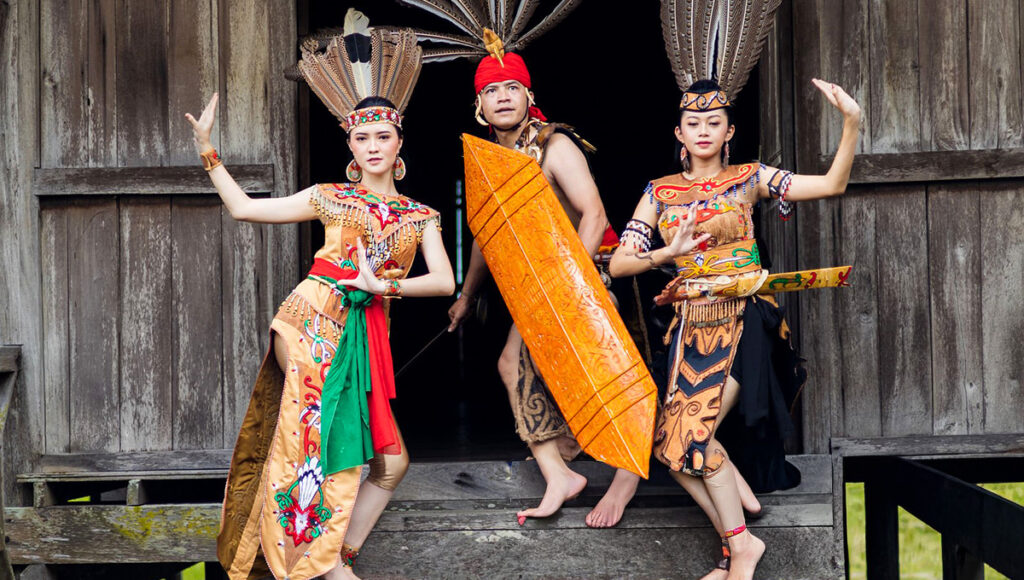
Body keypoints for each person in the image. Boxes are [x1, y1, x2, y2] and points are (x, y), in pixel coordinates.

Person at [192, 14, 455, 580]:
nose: (372, 146)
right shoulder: (331, 197)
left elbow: (444, 282)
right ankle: (321, 568)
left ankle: (334, 557)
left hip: (362, 333)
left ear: (400, 140)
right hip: (310, 321)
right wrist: (209, 152)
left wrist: (380, 285)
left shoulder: (421, 215)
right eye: (362, 137)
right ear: (350, 145)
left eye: (382, 136)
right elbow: (245, 210)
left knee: (392, 463)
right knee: (319, 439)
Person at [609, 76, 860, 579]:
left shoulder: (750, 177)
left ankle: (738, 551)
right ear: (679, 133)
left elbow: (831, 184)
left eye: (714, 123)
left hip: (744, 319)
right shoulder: (658, 193)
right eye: (693, 123)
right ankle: (738, 544)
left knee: (692, 437)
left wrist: (852, 122)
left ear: (729, 132)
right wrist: (668, 253)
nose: (703, 130)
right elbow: (619, 266)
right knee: (670, 445)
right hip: (688, 326)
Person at [446, 43, 645, 528]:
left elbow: (594, 215)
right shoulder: (494, 158)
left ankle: (622, 473)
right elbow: (485, 238)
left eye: (512, 88)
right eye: (491, 91)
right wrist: (467, 296)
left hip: (587, 270)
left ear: (528, 94)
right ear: (479, 106)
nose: (503, 98)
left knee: (595, 370)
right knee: (510, 360)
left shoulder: (555, 145)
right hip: (542, 283)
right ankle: (560, 474)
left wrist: (573, 287)